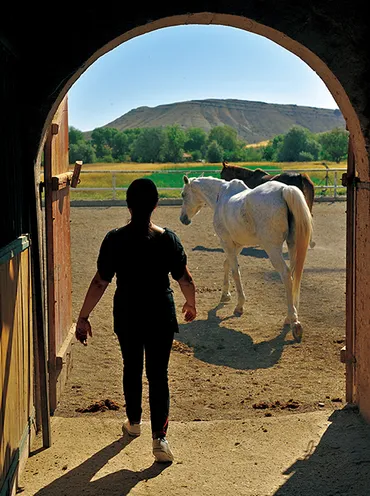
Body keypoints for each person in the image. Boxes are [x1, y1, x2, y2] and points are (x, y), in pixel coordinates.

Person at [75, 178, 197, 464]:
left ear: (128, 205)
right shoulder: (168, 238)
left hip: (128, 312)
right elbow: (185, 279)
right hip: (160, 313)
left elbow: (99, 282)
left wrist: (83, 317)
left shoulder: (114, 238)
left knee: (131, 367)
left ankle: (133, 424)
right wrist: (191, 303)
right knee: (159, 375)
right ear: (156, 205)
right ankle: (160, 440)